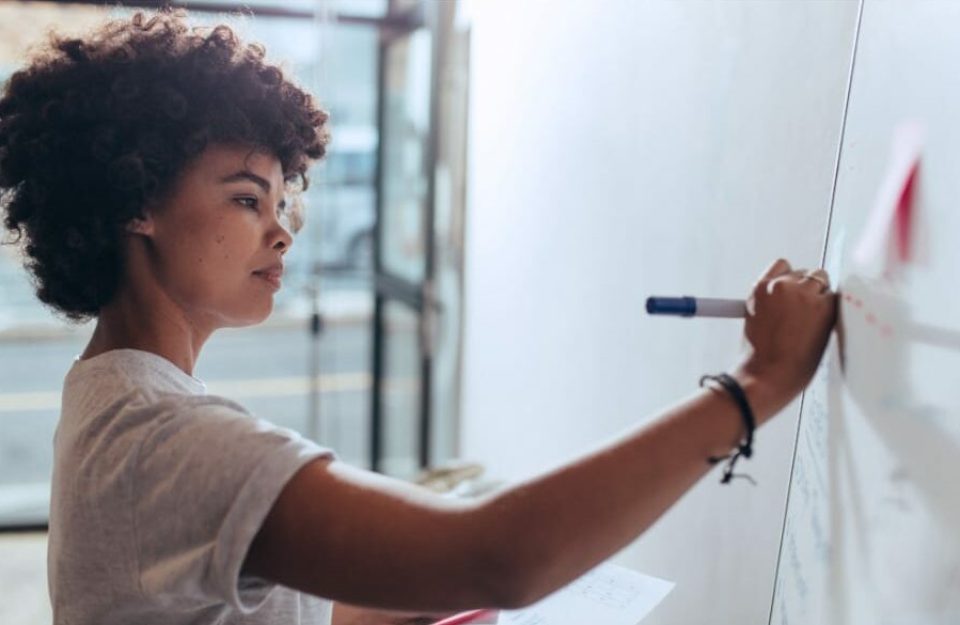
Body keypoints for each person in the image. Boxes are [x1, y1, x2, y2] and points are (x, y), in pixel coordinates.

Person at [0, 10, 837, 625]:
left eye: (282, 199)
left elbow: (300, 606)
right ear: (138, 200)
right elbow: (499, 555)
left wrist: (432, 593)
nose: (282, 228)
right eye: (247, 198)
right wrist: (757, 384)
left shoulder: (111, 397)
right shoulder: (165, 438)